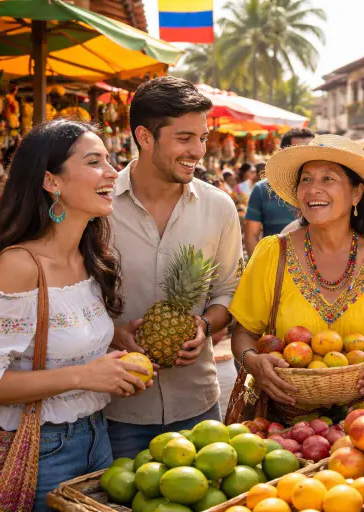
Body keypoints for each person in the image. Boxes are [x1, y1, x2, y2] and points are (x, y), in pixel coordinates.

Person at [0, 119, 151, 511]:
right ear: (51, 181)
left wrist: (114, 336)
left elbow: (52, 326)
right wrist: (85, 376)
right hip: (38, 451)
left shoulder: (88, 256)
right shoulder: (20, 265)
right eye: (95, 162)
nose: (113, 173)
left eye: (110, 161)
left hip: (97, 437)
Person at [229, 134, 364, 410]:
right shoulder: (272, 253)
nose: (313, 189)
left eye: (328, 179)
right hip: (283, 429)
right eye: (306, 179)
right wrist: (253, 361)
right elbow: (243, 334)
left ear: (356, 193)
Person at [106, 77, 243, 458]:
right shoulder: (98, 207)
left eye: (202, 138)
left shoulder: (220, 207)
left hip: (197, 406)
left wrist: (204, 325)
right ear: (145, 137)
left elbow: (229, 290)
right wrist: (112, 334)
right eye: (185, 138)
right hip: (113, 409)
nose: (197, 150)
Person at [243, 128, 314, 257]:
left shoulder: (323, 189)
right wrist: (262, 270)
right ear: (283, 154)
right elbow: (251, 237)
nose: (306, 157)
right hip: (277, 267)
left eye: (310, 151)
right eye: (298, 151)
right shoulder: (263, 189)